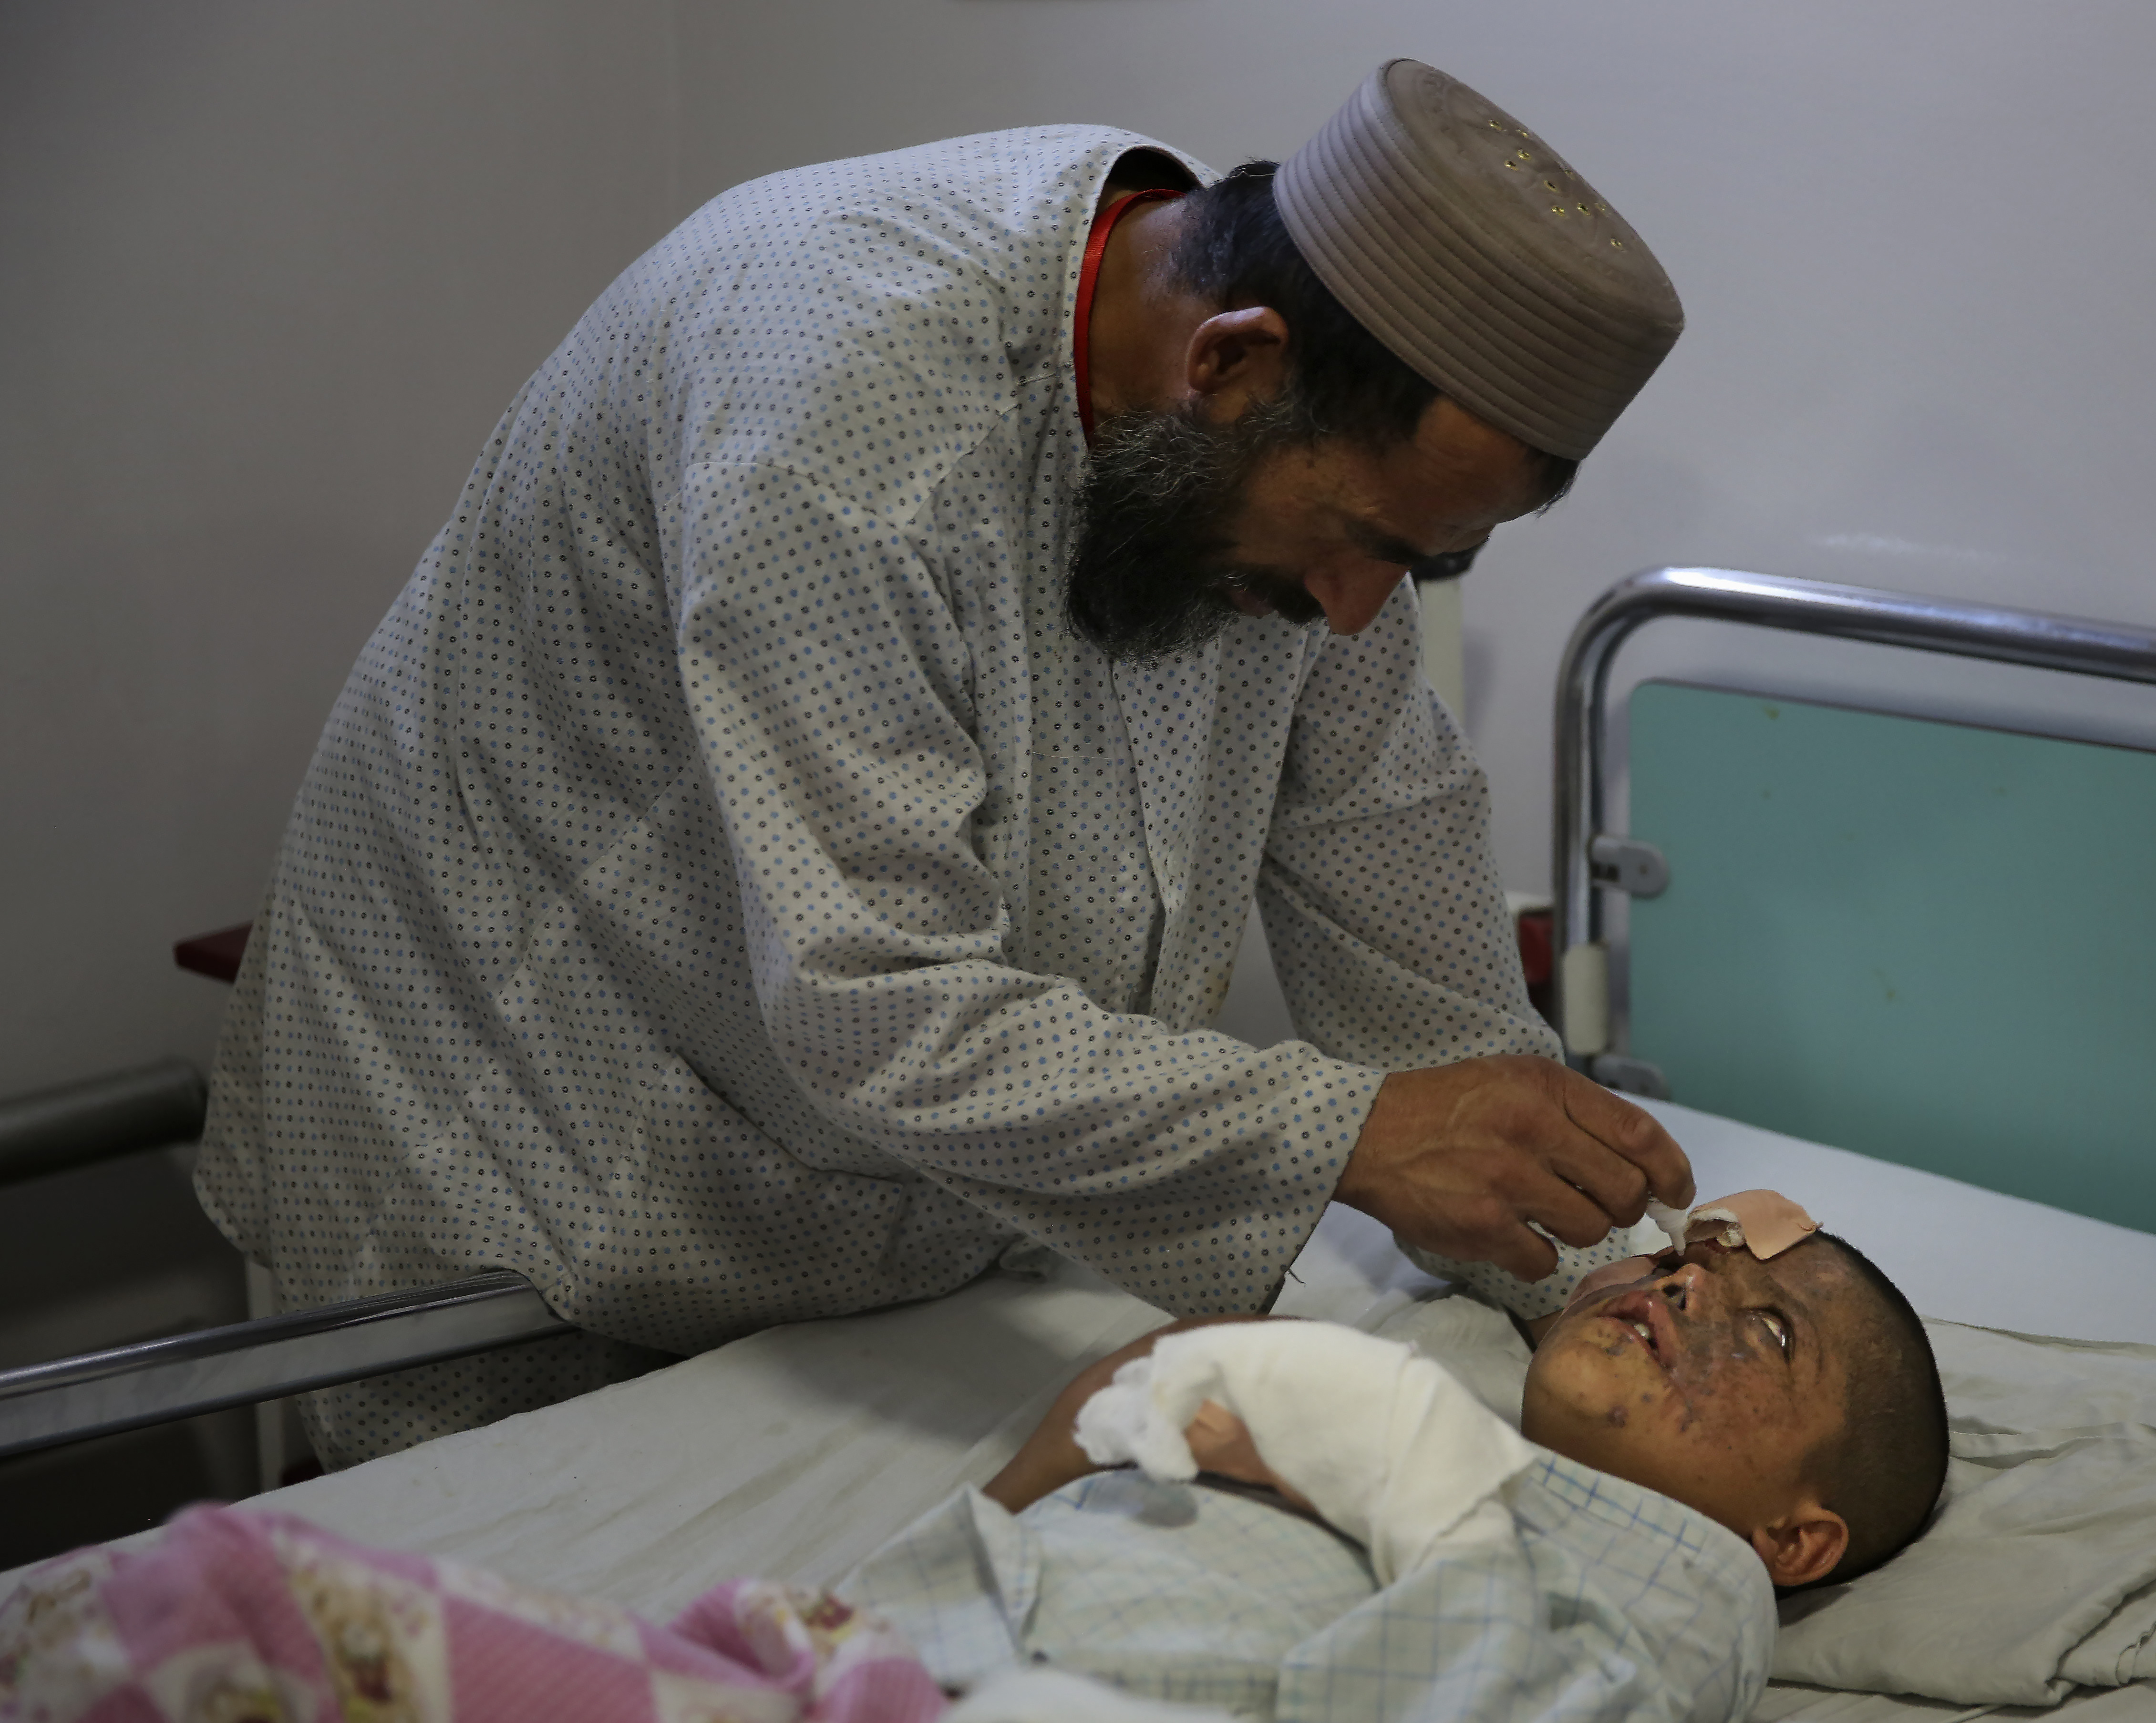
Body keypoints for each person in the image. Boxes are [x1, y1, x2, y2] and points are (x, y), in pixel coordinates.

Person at [196, 59, 1693, 1468]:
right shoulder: (833, 396)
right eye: (1367, 546)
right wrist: (1345, 1127)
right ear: (1232, 366)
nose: (1357, 617)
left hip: (850, 1203)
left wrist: (1613, 1263)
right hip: (526, 1145)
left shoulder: (1291, 443)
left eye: (1425, 569)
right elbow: (873, 1001)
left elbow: (1394, 876)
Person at [850, 1202, 1950, 1720]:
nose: (1682, 1285)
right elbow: (1039, 1505)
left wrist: (1349, 1462)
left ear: (1791, 1539)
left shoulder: (1704, 1585)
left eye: (1769, 1334)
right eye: (1669, 1258)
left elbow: (1513, 1699)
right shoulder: (1394, 1409)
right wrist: (1147, 1389)